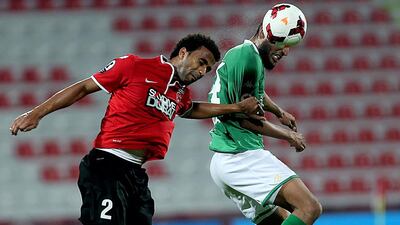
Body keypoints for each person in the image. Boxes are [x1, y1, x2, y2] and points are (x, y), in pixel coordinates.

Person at [10, 33, 264, 225]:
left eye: (207, 69)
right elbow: (84, 87)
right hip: (107, 166)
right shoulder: (133, 66)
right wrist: (36, 113)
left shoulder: (178, 94)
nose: (202, 71)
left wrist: (235, 108)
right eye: (201, 62)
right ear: (183, 52)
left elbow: (191, 109)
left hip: (135, 174)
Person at [208, 14, 322, 225]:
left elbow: (255, 93)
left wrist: (279, 112)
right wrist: (288, 135)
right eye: (283, 44)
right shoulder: (248, 59)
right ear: (265, 33)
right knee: (309, 207)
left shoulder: (247, 56)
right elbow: (244, 120)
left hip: (227, 159)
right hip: (240, 156)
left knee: (280, 221)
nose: (286, 52)